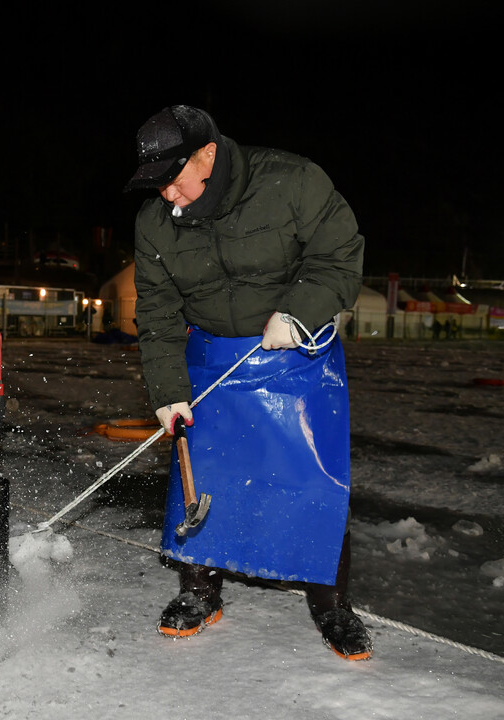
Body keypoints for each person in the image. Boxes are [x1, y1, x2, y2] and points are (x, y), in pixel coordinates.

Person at [124, 105, 370, 660]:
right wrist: (167, 391)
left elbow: (339, 255)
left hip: (296, 352)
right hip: (211, 359)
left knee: (313, 481)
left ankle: (331, 603)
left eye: (173, 178)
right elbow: (158, 313)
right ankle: (198, 593)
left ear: (206, 154)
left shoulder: (291, 180)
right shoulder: (155, 224)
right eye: (156, 184)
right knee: (204, 477)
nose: (167, 195)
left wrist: (301, 311)